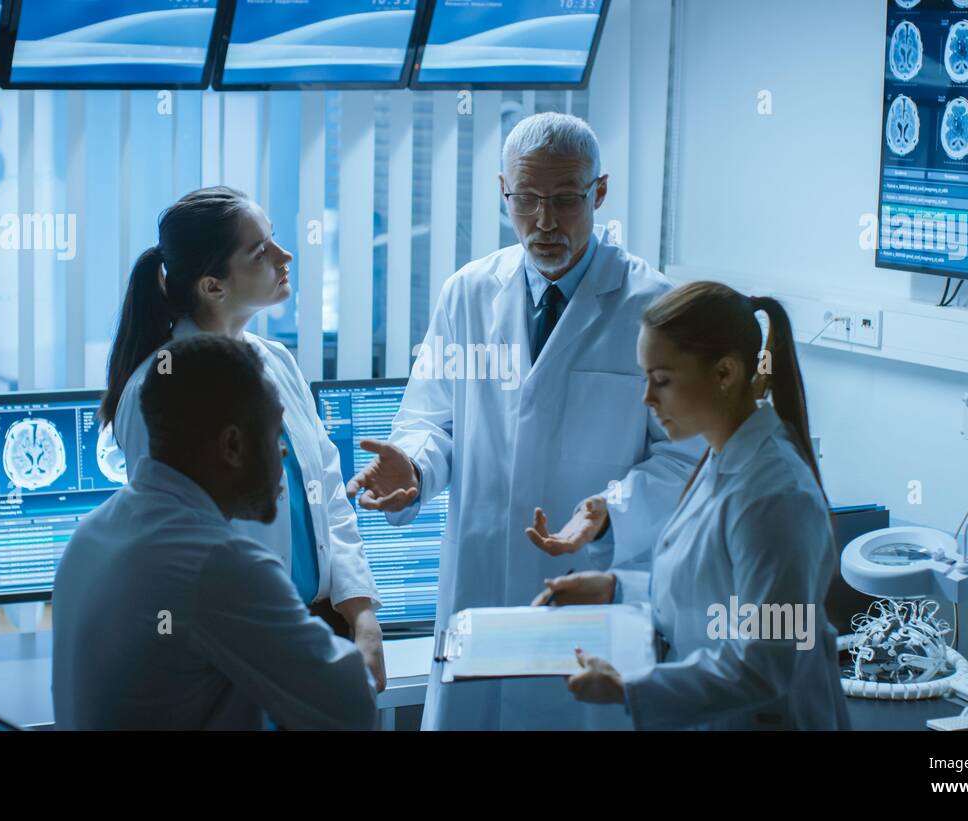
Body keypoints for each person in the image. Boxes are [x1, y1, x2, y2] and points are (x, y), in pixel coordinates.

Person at [346, 113, 702, 730]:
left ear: (600, 192)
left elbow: (685, 457)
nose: (543, 222)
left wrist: (611, 507)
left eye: (565, 200)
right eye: (527, 199)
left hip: (590, 586)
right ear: (502, 191)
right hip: (482, 580)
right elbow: (432, 421)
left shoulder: (653, 307)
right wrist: (416, 467)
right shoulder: (467, 293)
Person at [100, 186, 386, 689]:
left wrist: (362, 615)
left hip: (319, 628)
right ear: (213, 286)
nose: (285, 255)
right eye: (261, 251)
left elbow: (330, 497)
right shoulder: (159, 389)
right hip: (235, 648)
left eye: (274, 239)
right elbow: (174, 555)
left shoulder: (276, 361)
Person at [533, 282, 851, 730]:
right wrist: (614, 588)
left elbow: (767, 666)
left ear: (724, 373)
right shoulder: (720, 459)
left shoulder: (777, 498)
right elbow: (710, 599)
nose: (647, 398)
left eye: (661, 380)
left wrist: (629, 689)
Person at [53, 335, 377, 730]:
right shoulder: (219, 564)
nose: (285, 454)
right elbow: (351, 705)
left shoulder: (92, 534)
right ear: (232, 445)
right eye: (276, 434)